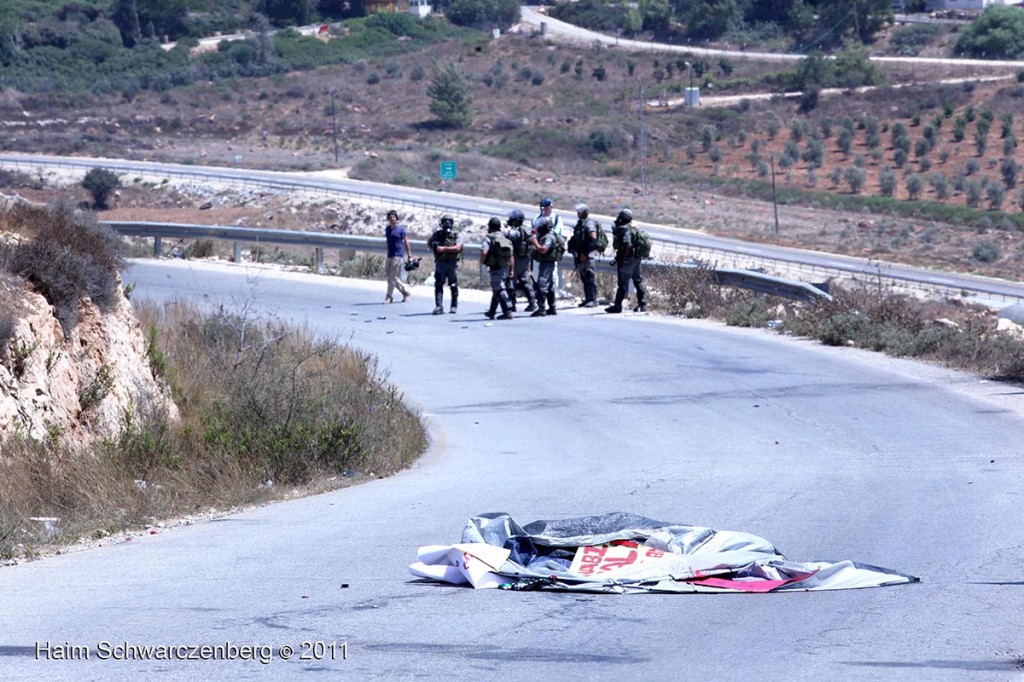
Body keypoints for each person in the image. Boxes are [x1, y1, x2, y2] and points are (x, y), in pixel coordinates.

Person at [606, 208, 648, 314]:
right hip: (636, 258)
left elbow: (628, 244)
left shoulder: (625, 229)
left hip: (628, 259)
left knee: (623, 283)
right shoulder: (635, 227)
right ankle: (642, 304)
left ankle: (617, 306)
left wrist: (623, 259)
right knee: (638, 280)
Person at [480, 217, 514, 320]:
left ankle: (508, 311)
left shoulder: (489, 238)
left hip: (495, 267)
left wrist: (482, 261)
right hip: (505, 267)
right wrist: (512, 269)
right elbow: (511, 255)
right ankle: (492, 312)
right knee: (497, 288)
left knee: (499, 288)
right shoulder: (505, 238)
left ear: (490, 227)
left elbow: (484, 252)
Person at [428, 214, 463, 315]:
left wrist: (443, 249)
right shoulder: (438, 234)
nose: (447, 224)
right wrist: (434, 248)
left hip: (452, 263)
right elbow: (430, 242)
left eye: (449, 222)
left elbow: (457, 248)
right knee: (439, 284)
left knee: (453, 284)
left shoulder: (456, 235)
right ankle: (439, 306)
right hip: (440, 263)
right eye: (445, 221)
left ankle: (453, 306)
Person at [504, 209, 537, 313]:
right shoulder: (526, 230)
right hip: (525, 259)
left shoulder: (518, 230)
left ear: (516, 220)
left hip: (517, 259)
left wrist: (501, 231)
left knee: (511, 280)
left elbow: (510, 236)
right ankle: (532, 302)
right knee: (525, 280)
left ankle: (512, 305)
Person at [569, 203, 599, 308]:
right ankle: (588, 299)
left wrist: (585, 254)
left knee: (590, 277)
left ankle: (593, 300)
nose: (577, 214)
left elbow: (593, 239)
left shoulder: (589, 223)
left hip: (587, 255)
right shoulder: (580, 223)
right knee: (584, 278)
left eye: (579, 212)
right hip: (580, 255)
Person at [536, 197, 567, 295]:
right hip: (539, 247)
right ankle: (541, 292)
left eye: (548, 207)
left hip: (551, 248)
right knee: (538, 271)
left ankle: (554, 292)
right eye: (544, 207)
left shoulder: (557, 219)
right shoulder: (537, 218)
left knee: (552, 273)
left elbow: (558, 234)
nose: (546, 209)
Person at [529, 216, 558, 317]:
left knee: (542, 285)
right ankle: (552, 307)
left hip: (547, 264)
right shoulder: (546, 236)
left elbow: (543, 249)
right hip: (545, 263)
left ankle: (541, 309)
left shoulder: (548, 237)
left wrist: (535, 243)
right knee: (549, 286)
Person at [383, 209, 412, 304]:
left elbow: (406, 242)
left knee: (392, 278)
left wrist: (409, 255)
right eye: (390, 217)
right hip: (390, 255)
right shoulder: (387, 229)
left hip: (398, 256)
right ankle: (405, 292)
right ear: (388, 219)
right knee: (390, 277)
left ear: (396, 218)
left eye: (394, 217)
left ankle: (389, 297)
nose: (392, 219)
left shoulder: (401, 230)